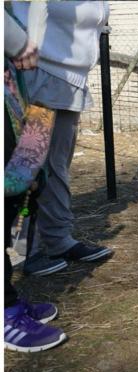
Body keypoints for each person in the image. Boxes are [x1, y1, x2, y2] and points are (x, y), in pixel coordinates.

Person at [10, 1, 112, 276]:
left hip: (70, 80)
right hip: (37, 74)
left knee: (56, 165)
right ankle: (23, 252)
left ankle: (57, 240)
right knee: (28, 165)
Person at [4, 6, 66, 352]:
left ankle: (7, 296)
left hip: (10, 79)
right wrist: (17, 41)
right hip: (15, 59)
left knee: (18, 185)